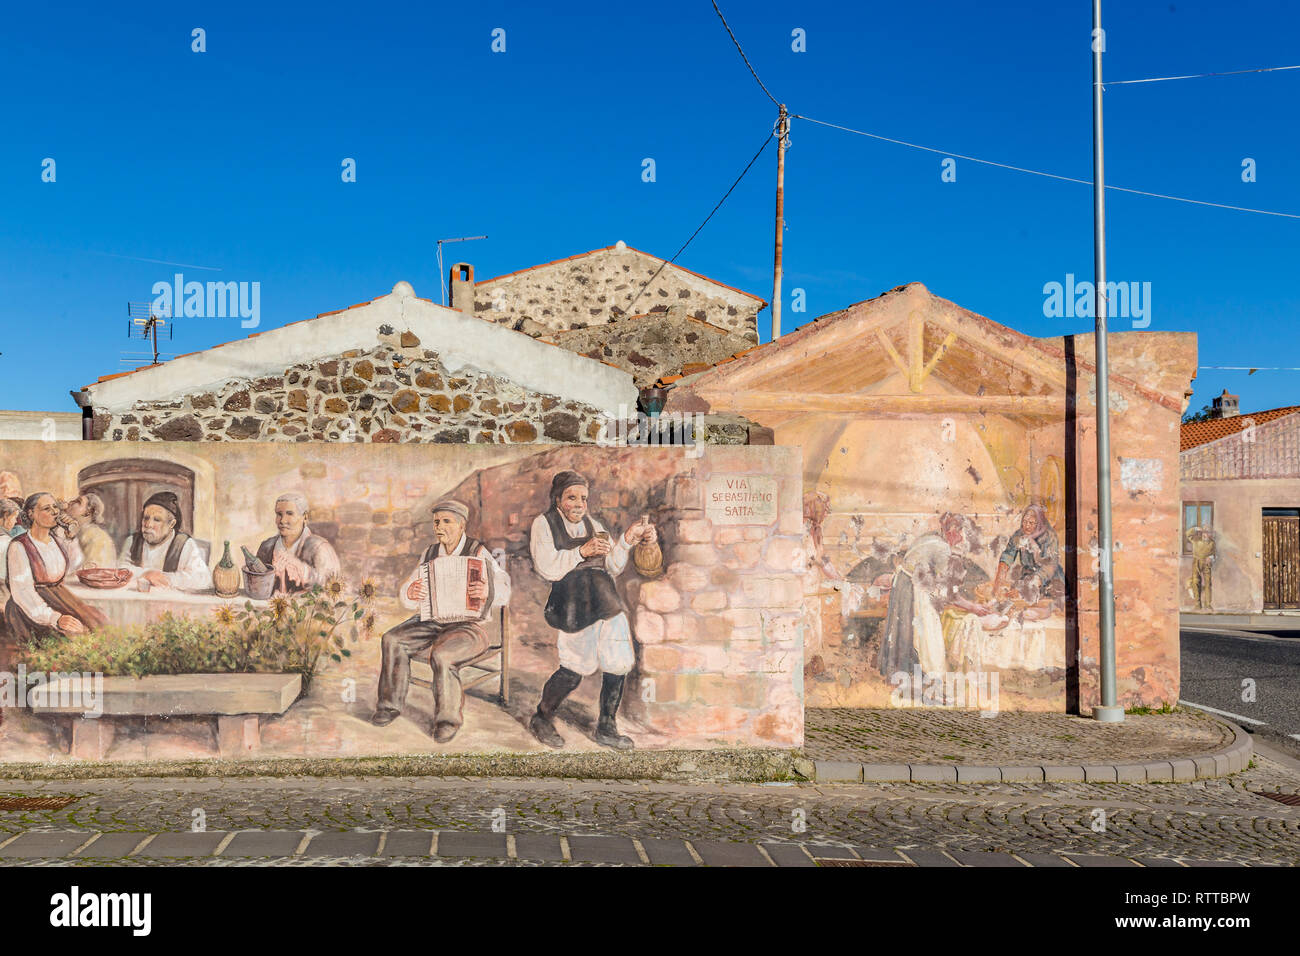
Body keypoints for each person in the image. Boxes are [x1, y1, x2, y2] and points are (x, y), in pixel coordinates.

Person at [527, 470, 656, 751]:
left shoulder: (593, 524)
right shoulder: (544, 524)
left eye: (583, 498)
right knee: (574, 667)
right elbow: (547, 567)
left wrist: (627, 540)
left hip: (606, 600)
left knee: (618, 661)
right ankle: (542, 717)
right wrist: (581, 553)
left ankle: (607, 727)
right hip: (574, 602)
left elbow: (613, 567)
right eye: (572, 497)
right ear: (558, 499)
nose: (578, 504)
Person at [372, 499, 511, 743]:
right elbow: (408, 589)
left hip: (468, 626)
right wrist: (410, 592)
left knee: (443, 656)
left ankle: (447, 720)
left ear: (461, 524)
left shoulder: (478, 552)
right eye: (436, 522)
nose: (440, 527)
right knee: (392, 639)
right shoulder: (430, 553)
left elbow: (505, 588)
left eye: (447, 521)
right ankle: (388, 706)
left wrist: (487, 590)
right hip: (432, 623)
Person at [877, 513, 990, 679]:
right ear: (952, 531)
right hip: (911, 588)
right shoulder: (942, 547)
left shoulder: (933, 537)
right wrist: (973, 607)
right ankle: (920, 674)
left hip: (903, 582)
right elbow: (951, 594)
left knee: (905, 631)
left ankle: (902, 673)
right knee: (921, 632)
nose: (962, 539)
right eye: (961, 535)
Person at [4, 492, 107, 643]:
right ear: (31, 514)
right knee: (71, 641)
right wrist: (55, 618)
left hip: (59, 598)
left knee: (99, 624)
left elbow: (73, 566)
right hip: (32, 610)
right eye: (47, 508)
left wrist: (71, 537)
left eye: (55, 507)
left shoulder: (57, 540)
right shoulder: (19, 546)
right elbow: (23, 592)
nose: (55, 511)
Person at [118, 491, 210, 592]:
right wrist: (147, 574)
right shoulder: (132, 541)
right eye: (146, 518)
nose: (148, 524)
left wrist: (166, 578)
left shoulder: (184, 544)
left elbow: (202, 578)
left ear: (171, 524)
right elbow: (120, 569)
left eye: (157, 520)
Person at [255, 492, 341, 595]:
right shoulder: (266, 547)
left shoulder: (320, 548)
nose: (282, 520)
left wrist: (302, 570)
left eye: (290, 513)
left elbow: (333, 589)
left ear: (304, 517)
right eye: (279, 514)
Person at [992, 503, 1065, 605]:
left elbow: (1049, 567)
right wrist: (999, 579)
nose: (1026, 526)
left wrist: (1026, 590)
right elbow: (1008, 554)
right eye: (1024, 522)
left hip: (1049, 582)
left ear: (1039, 523)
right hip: (1028, 578)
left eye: (1031, 523)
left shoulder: (1050, 536)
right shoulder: (1020, 534)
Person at [62, 494, 117, 569]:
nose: (71, 502)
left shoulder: (96, 537)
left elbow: (91, 571)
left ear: (88, 512)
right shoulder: (72, 531)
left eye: (78, 502)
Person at [1187, 526, 1215, 610]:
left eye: (1208, 532)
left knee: (1208, 584)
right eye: (1204, 532)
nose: (1205, 534)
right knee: (1196, 582)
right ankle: (1197, 604)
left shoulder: (1212, 543)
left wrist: (1211, 557)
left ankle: (1208, 604)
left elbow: (1214, 553)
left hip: (1206, 564)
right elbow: (1188, 534)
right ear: (1202, 533)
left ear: (1210, 534)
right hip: (1196, 562)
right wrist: (1195, 529)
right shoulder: (1196, 540)